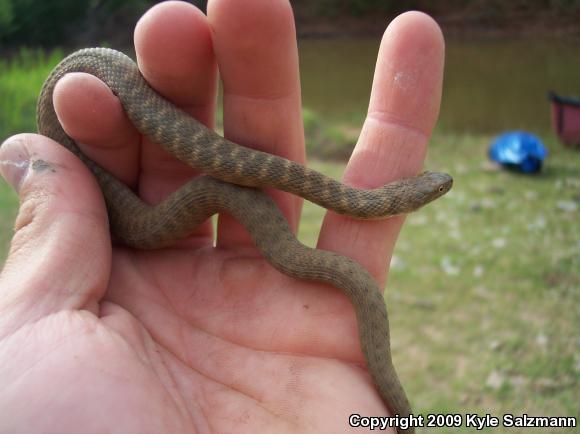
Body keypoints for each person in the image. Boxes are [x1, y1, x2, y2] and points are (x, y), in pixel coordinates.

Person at [0, 0, 444, 432]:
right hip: (118, 147)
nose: (439, 186)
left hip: (154, 213)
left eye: (432, 188)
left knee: (215, 191)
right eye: (433, 187)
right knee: (190, 174)